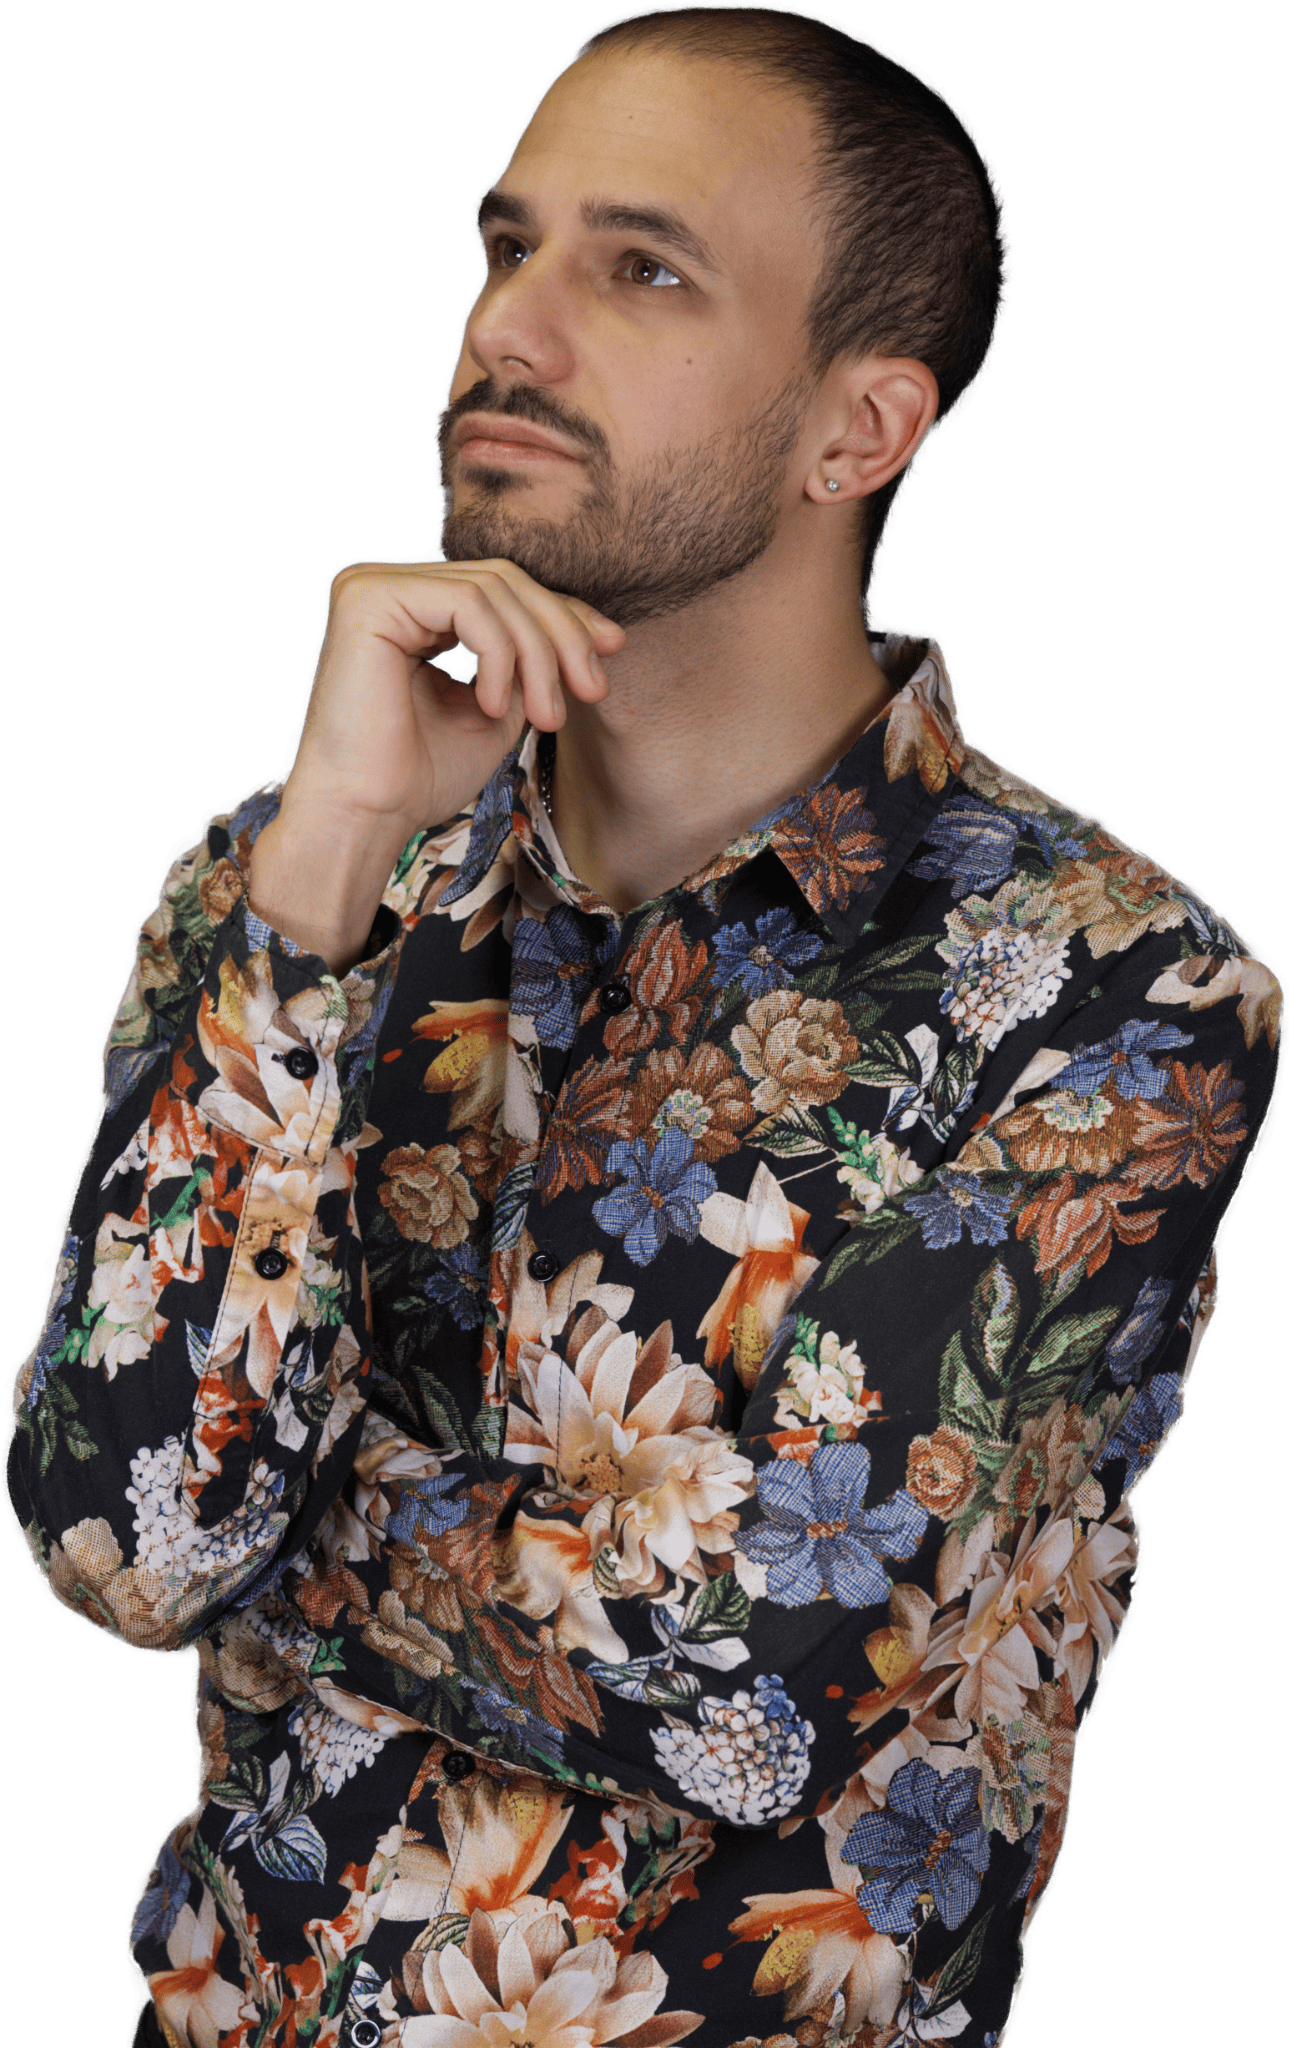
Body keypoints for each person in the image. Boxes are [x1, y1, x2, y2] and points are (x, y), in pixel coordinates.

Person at [6, 6, 1282, 2045]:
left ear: (857, 431)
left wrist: (288, 1506)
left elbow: (749, 1683)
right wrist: (327, 862)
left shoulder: (1112, 988)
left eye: (642, 269)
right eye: (507, 245)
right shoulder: (283, 878)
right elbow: (117, 1542)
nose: (506, 329)